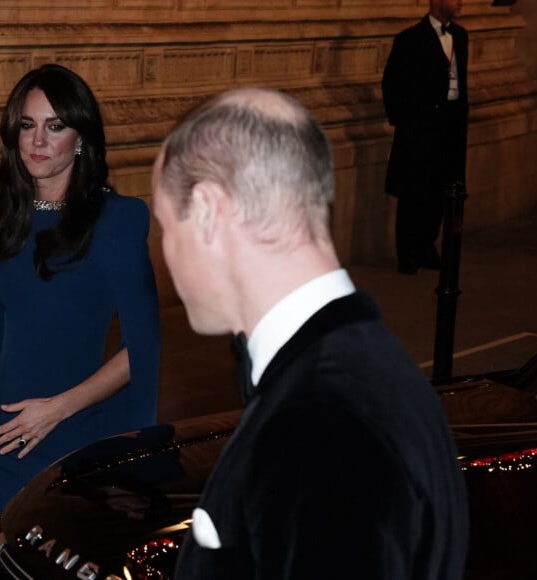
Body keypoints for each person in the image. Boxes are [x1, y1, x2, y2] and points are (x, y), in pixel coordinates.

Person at [152, 87, 469, 579]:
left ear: (210, 211)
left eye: (165, 225)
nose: (165, 252)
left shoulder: (319, 423)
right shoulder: (366, 366)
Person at [0, 64, 160, 528]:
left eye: (55, 126)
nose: (38, 141)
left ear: (80, 137)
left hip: (62, 433)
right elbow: (0, 327)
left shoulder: (117, 220)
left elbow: (141, 348)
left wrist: (54, 411)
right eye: (27, 125)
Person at [382, 0, 469, 274]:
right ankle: (407, 253)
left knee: (442, 191)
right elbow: (392, 83)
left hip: (451, 125)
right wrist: (407, 119)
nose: (460, 2)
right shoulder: (410, 39)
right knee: (413, 191)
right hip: (420, 127)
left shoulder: (461, 36)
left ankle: (427, 246)